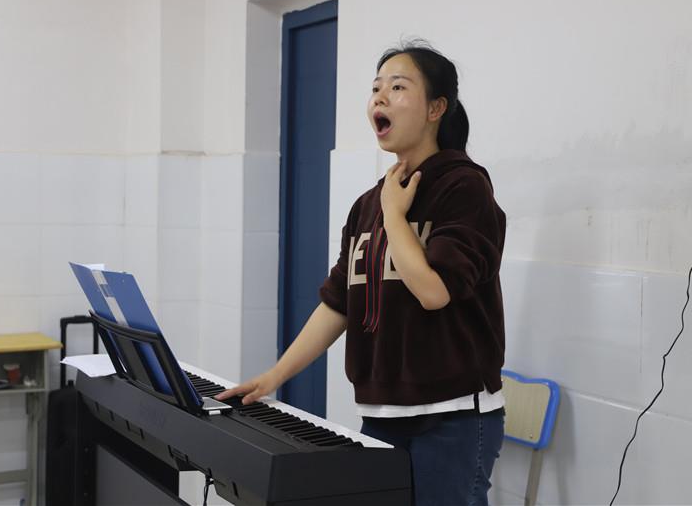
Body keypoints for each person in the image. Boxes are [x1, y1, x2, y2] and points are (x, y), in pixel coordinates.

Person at [217, 39, 507, 506]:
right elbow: (339, 304)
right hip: (382, 415)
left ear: (436, 108)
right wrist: (274, 376)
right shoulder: (369, 204)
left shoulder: (464, 187)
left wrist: (395, 216)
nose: (380, 97)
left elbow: (434, 291)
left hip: (451, 416)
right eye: (376, 88)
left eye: (398, 87)